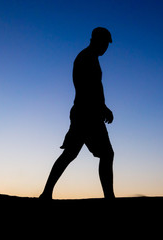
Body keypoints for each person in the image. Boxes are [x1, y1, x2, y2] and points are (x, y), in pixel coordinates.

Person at [39, 27, 115, 199]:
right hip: (87, 114)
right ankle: (109, 197)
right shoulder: (86, 58)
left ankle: (46, 193)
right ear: (96, 40)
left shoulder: (90, 58)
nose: (106, 48)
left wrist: (103, 107)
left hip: (85, 112)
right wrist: (102, 108)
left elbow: (93, 87)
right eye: (104, 43)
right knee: (106, 154)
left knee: (70, 154)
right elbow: (87, 88)